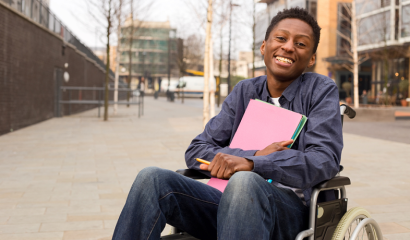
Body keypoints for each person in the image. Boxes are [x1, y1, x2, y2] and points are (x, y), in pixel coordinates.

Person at [112, 7, 343, 240]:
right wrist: (251, 156)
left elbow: (324, 159)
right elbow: (197, 150)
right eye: (281, 38)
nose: (289, 46)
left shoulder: (320, 90)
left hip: (287, 212)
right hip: (224, 202)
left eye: (301, 44)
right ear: (264, 47)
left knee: (244, 182)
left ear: (312, 58)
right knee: (151, 178)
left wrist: (255, 165)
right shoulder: (245, 91)